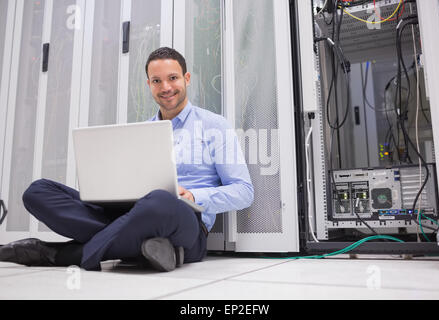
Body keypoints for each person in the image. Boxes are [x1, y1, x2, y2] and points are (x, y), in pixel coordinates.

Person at [0, 47, 254, 272]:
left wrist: (194, 197)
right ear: (149, 84)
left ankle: (62, 254)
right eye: (157, 81)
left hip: (185, 221)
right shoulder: (141, 132)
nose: (165, 87)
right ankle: (145, 248)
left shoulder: (215, 126)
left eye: (173, 78)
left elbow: (244, 192)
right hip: (134, 213)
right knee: (38, 191)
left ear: (186, 79)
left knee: (160, 201)